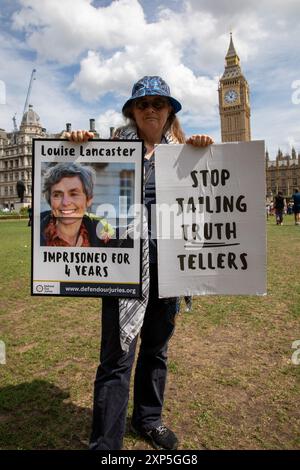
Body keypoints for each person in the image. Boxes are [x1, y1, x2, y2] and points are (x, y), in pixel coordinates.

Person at [66, 76, 214, 450]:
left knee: (156, 350)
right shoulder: (110, 151)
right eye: (143, 103)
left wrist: (203, 149)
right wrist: (77, 148)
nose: (151, 109)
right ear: (132, 111)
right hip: (122, 265)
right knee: (117, 357)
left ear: (169, 112)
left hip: (170, 265)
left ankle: (148, 419)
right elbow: (78, 182)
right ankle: (105, 443)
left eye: (159, 104)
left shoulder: (183, 153)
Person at [41, 162, 116, 247]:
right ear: (50, 200)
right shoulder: (36, 233)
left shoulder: (105, 238)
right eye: (57, 195)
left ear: (88, 199)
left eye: (73, 194)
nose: (65, 203)